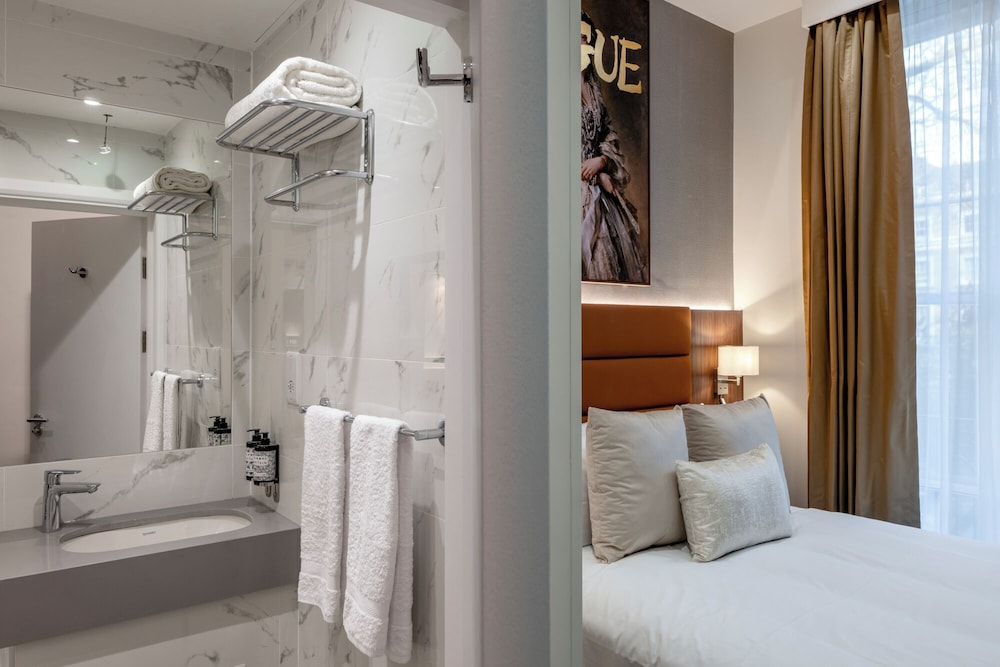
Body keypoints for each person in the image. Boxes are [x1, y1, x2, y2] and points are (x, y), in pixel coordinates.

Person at [581, 12, 648, 284]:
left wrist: (603, 162)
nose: (582, 43)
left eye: (585, 38)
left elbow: (607, 131)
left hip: (599, 183)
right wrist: (595, 174)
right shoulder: (555, 87)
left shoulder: (592, 87)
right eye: (576, 38)